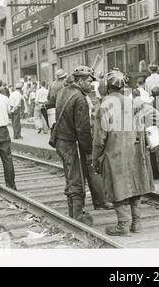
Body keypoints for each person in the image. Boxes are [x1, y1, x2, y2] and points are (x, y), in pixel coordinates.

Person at [92, 70, 155, 236]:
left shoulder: (104, 105)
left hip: (116, 152)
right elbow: (143, 125)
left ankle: (123, 225)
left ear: (107, 86)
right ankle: (137, 223)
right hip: (134, 150)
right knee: (134, 184)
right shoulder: (132, 102)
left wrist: (95, 157)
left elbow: (99, 138)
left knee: (117, 185)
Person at [55, 66, 111, 225]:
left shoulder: (64, 91)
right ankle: (78, 216)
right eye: (88, 81)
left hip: (62, 139)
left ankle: (73, 211)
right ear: (79, 81)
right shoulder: (79, 98)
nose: (91, 84)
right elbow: (83, 129)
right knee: (76, 178)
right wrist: (89, 151)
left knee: (71, 175)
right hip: (70, 141)